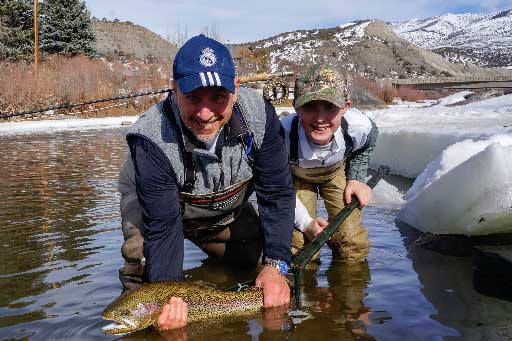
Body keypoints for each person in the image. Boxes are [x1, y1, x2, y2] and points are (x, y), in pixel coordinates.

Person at [117, 34, 295, 330]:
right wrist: (168, 295)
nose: (205, 112)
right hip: (157, 209)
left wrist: (275, 264)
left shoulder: (259, 117)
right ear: (174, 91)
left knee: (259, 263)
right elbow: (163, 228)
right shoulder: (150, 139)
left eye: (218, 97)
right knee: (144, 287)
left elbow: (276, 193)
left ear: (235, 90)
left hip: (222, 202)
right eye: (193, 97)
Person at [280, 65, 378, 263]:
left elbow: (370, 140)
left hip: (335, 173)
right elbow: (280, 189)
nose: (320, 119)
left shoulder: (358, 127)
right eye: (309, 107)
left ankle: (349, 290)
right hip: (297, 178)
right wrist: (307, 224)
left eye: (330, 107)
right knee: (299, 244)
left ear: (345, 107)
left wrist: (356, 178)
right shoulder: (281, 136)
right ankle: (306, 289)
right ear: (295, 107)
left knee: (352, 243)